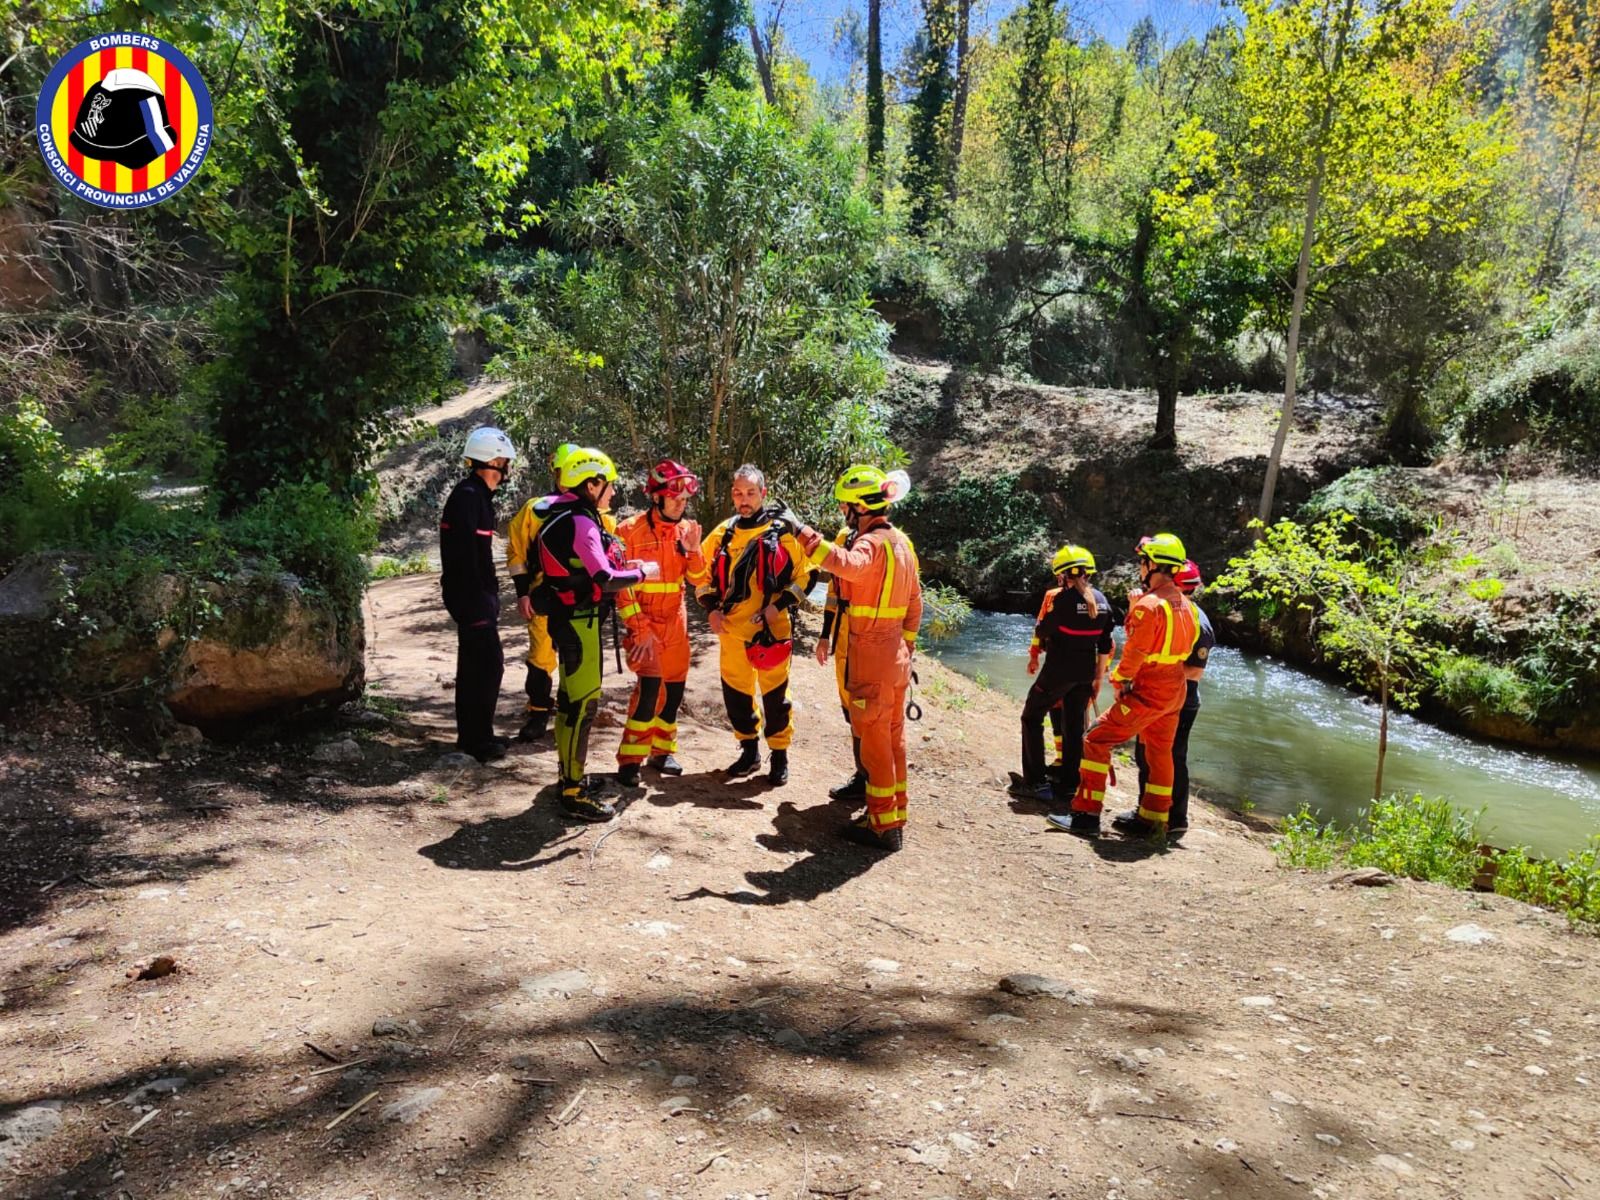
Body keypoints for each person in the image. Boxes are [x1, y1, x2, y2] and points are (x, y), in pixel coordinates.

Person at [799, 465, 923, 852]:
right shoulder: (901, 542)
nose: (841, 512)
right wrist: (905, 647)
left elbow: (845, 566)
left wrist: (802, 533)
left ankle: (882, 826)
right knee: (893, 737)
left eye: (843, 506)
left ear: (858, 507)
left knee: (874, 742)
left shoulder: (869, 544)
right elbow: (915, 603)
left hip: (871, 652)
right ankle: (895, 812)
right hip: (895, 655)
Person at [1046, 532, 1198, 839]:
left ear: (1153, 565)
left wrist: (1120, 680)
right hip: (1175, 689)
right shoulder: (1186, 604)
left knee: (1096, 738)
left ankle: (1085, 815)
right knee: (1159, 750)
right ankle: (1153, 819)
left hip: (1150, 688)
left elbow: (1135, 651)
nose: (1141, 568)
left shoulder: (1149, 606)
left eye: (1143, 562)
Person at [531, 448, 653, 821]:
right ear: (591, 483)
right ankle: (572, 790)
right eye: (609, 485)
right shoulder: (581, 521)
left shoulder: (564, 515)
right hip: (578, 623)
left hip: (571, 621)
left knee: (571, 703)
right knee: (581, 706)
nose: (613, 493)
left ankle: (571, 777)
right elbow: (604, 578)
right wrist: (644, 572)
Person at [695, 465, 814, 786]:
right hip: (731, 631)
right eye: (738, 493)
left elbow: (807, 575)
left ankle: (780, 756)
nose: (743, 499)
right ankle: (749, 751)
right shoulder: (723, 533)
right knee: (736, 695)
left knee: (776, 697)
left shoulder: (783, 531)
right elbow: (698, 574)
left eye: (750, 493)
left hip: (772, 632)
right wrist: (711, 609)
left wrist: (778, 606)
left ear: (763, 493)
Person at [613, 460, 709, 787]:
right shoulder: (628, 531)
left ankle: (662, 751)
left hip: (676, 623)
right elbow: (622, 589)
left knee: (675, 688)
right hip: (645, 624)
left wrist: (695, 552)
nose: (682, 505)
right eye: (675, 499)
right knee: (650, 689)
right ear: (657, 497)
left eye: (685, 500)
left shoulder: (687, 531)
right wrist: (640, 630)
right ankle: (630, 759)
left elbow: (698, 579)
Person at [507, 443, 596, 742]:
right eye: (562, 471)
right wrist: (522, 594)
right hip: (543, 596)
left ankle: (572, 710)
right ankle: (538, 710)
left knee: (577, 655)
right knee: (541, 654)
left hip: (581, 599)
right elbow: (517, 554)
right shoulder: (535, 509)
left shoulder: (596, 512)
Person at [1009, 545, 1112, 803]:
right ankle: (1069, 784)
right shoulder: (1102, 601)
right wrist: (1098, 678)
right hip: (1085, 675)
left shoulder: (1062, 601)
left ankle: (1036, 783)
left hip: (1058, 673)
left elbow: (1043, 631)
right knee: (1074, 726)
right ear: (1088, 573)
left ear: (1063, 575)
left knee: (1031, 717)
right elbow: (1105, 644)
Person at [439, 426, 517, 762]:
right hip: (471, 597)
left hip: (475, 596)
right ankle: (476, 741)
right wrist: (481, 598)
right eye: (505, 461)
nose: (507, 469)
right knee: (486, 666)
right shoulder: (469, 497)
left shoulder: (476, 496)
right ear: (494, 460)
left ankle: (475, 734)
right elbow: (465, 557)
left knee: (478, 665)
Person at [1120, 558, 1213, 839]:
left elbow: (1194, 671)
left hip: (1177, 697)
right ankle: (1147, 811)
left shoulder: (1195, 618)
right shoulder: (1171, 610)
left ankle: (1174, 818)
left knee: (1171, 755)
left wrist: (1157, 671)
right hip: (1164, 693)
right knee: (1147, 754)